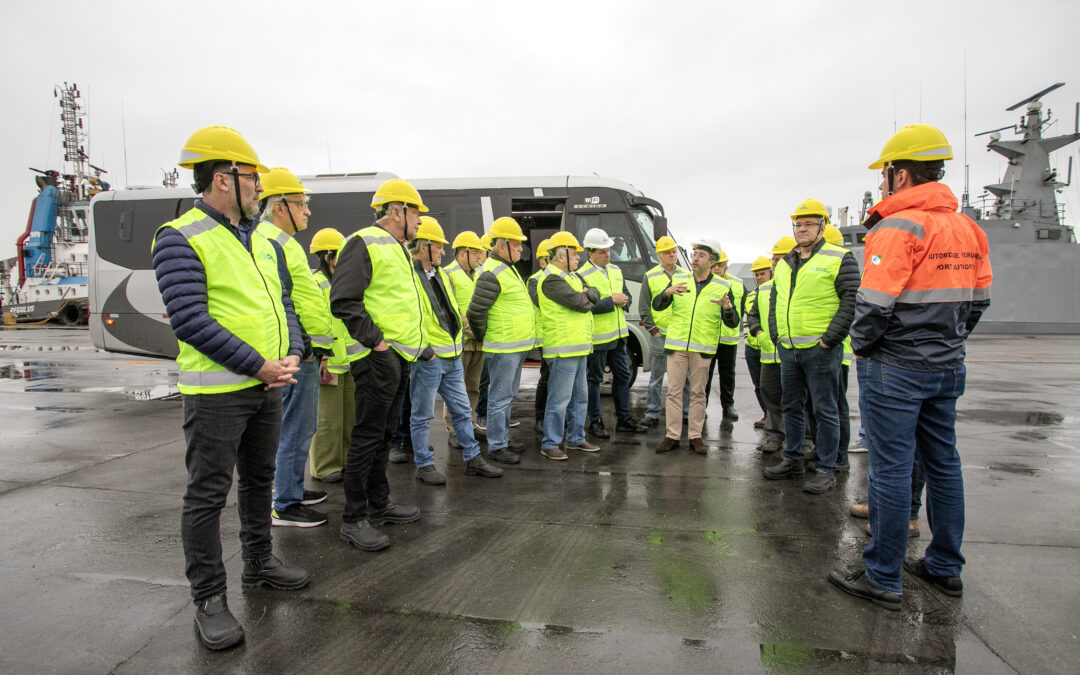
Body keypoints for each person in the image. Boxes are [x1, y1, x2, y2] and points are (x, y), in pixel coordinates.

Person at [151, 126, 309, 650]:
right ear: (224, 179)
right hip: (218, 392)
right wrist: (258, 366)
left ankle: (259, 563)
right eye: (253, 178)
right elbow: (190, 320)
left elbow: (280, 302)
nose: (260, 187)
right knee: (206, 495)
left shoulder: (260, 239)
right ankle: (210, 598)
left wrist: (293, 352)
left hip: (268, 383)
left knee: (259, 481)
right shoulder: (180, 236)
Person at [829, 124, 991, 610]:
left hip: (896, 367)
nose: (881, 184)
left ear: (901, 175)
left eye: (884, 175)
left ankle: (882, 575)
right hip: (947, 365)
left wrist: (864, 348)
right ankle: (945, 567)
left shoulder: (897, 227)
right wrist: (947, 342)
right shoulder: (969, 229)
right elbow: (979, 302)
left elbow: (873, 306)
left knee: (891, 469)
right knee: (944, 463)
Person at [330, 178, 427, 552]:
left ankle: (379, 504)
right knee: (367, 437)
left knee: (384, 435)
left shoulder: (399, 248)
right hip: (376, 358)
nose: (419, 220)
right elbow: (344, 301)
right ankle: (354, 518)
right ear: (396, 211)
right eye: (415, 211)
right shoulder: (362, 242)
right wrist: (378, 344)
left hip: (396, 357)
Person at [763, 198, 859, 494]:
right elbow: (776, 300)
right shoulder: (786, 262)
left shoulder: (840, 257)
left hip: (821, 350)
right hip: (789, 349)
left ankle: (827, 469)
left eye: (808, 223)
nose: (802, 229)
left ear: (822, 226)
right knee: (792, 406)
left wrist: (829, 339)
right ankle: (792, 459)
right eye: (798, 224)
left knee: (824, 409)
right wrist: (778, 335)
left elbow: (851, 301)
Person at [256, 167, 334, 528]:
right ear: (278, 206)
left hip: (304, 350)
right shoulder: (270, 243)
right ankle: (285, 504)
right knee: (295, 428)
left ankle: (291, 488)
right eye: (301, 204)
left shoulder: (283, 243)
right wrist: (302, 349)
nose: (307, 211)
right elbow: (286, 302)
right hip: (296, 351)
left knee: (301, 427)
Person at [407, 217, 503, 484]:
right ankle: (424, 465)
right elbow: (407, 316)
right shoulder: (409, 276)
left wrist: (459, 338)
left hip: (452, 354)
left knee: (462, 410)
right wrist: (424, 351)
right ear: (424, 246)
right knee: (422, 414)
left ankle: (473, 459)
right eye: (438, 246)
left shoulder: (439, 274)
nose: (442, 251)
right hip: (430, 357)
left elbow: (450, 312)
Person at [652, 239, 739, 455]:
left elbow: (733, 322)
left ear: (712, 261)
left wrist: (727, 308)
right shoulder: (679, 279)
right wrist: (666, 293)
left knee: (698, 393)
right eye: (694, 254)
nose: (694, 258)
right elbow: (657, 305)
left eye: (701, 255)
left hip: (702, 349)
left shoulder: (723, 287)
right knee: (673, 392)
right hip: (677, 346)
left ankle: (695, 436)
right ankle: (672, 435)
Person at [467, 217, 535, 465]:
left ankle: (502, 438)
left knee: (508, 395)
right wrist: (487, 336)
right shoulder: (492, 272)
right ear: (503, 244)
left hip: (514, 346)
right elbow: (475, 312)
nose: (521, 249)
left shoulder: (507, 268)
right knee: (499, 396)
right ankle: (496, 445)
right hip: (504, 346)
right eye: (517, 245)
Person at [536, 232, 601, 460]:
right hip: (563, 349)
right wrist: (586, 296)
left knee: (580, 398)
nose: (577, 259)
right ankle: (550, 443)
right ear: (560, 255)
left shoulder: (573, 277)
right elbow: (582, 303)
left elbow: (595, 293)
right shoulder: (551, 279)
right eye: (574, 255)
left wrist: (587, 294)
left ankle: (575, 438)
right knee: (559, 399)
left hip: (580, 347)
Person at [579, 227, 647, 438]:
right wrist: (613, 301)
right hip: (598, 338)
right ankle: (595, 421)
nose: (607, 254)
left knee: (623, 376)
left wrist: (625, 300)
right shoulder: (581, 275)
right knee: (595, 379)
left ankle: (624, 420)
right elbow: (586, 306)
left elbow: (626, 296)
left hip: (619, 335)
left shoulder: (616, 270)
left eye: (608, 250)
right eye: (601, 251)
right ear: (590, 253)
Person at [308, 228, 363, 484]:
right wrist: (322, 358)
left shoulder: (340, 282)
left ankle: (345, 461)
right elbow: (315, 323)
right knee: (328, 421)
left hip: (349, 360)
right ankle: (325, 466)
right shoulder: (316, 283)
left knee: (349, 418)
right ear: (328, 256)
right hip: (329, 362)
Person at [443, 231, 490, 444]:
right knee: (456, 388)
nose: (480, 258)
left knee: (473, 387)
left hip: (478, 342)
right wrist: (475, 330)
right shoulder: (448, 274)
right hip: (462, 341)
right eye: (476, 254)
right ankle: (454, 430)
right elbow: (453, 310)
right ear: (463, 253)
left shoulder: (479, 273)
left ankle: (469, 424)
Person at [641, 236, 688, 428]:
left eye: (674, 251)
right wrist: (654, 331)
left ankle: (685, 412)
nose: (672, 255)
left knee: (684, 378)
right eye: (668, 252)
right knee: (656, 377)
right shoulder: (650, 276)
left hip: (681, 336)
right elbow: (644, 306)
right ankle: (652, 413)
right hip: (660, 335)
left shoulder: (686, 275)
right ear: (659, 255)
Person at [704, 250, 745, 421]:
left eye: (720, 265)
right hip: (709, 337)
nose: (717, 269)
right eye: (715, 265)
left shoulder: (737, 283)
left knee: (728, 374)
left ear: (726, 266)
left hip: (728, 338)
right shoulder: (705, 282)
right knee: (705, 374)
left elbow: (741, 309)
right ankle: (701, 407)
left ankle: (728, 406)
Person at [743, 256, 773, 430]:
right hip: (752, 346)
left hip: (769, 347)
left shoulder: (776, 292)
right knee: (759, 385)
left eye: (762, 273)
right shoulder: (752, 295)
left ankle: (776, 417)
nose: (759, 277)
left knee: (772, 387)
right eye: (757, 274)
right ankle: (766, 414)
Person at [527, 239, 552, 433]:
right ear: (542, 261)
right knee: (546, 377)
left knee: (557, 378)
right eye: (550, 258)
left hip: (560, 336)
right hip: (545, 336)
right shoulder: (534, 280)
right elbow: (542, 302)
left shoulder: (564, 277)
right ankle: (540, 417)